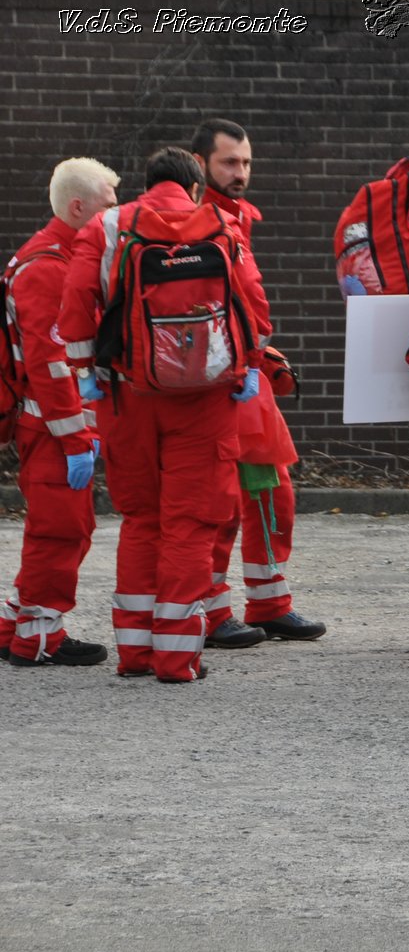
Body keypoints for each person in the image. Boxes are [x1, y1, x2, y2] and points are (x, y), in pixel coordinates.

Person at [58, 147, 273, 683]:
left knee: (141, 520)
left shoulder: (110, 226)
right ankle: (177, 658)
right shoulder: (223, 227)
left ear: (145, 184)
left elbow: (73, 313)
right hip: (205, 401)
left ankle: (134, 652)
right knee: (192, 525)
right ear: (196, 186)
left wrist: (90, 376)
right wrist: (245, 367)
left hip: (128, 397)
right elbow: (256, 311)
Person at [191, 118, 326, 647]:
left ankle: (269, 602)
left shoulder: (236, 220)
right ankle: (211, 608)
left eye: (245, 162)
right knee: (222, 501)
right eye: (229, 162)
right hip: (220, 383)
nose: (241, 172)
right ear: (201, 163)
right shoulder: (196, 223)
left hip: (249, 376)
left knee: (272, 494)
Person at [0, 158, 120, 667]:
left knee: (57, 526)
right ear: (79, 207)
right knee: (62, 529)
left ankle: (17, 621)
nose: (115, 214)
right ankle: (41, 635)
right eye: (108, 205)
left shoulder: (56, 257)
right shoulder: (49, 268)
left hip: (50, 424)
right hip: (51, 428)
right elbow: (51, 365)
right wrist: (75, 438)